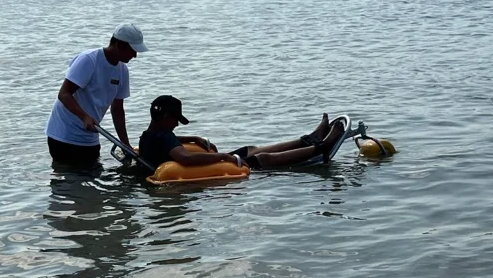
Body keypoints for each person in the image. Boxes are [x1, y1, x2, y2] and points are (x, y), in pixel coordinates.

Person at [138, 95, 347, 171]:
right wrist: (222, 156)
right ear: (165, 116)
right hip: (209, 168)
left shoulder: (149, 135)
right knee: (261, 158)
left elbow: (167, 142)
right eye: (176, 119)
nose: (176, 124)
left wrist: (191, 138)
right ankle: (320, 147)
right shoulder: (164, 137)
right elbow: (184, 158)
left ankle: (309, 138)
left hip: (211, 161)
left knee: (250, 149)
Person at [45, 23, 148, 167]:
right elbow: (64, 94)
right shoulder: (89, 60)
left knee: (92, 177)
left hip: (90, 136)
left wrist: (125, 145)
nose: (135, 56)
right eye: (132, 50)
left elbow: (117, 110)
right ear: (120, 45)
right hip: (64, 134)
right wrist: (84, 116)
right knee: (69, 178)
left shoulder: (122, 71)